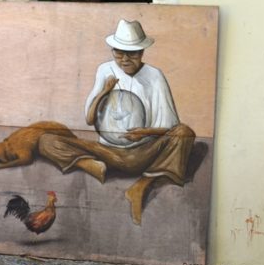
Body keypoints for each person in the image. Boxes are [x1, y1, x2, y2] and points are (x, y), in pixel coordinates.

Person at [37, 19, 196, 225]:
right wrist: (104, 91)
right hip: (108, 151)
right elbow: (89, 119)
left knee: (185, 133)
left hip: (141, 151)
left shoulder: (154, 76)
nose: (124, 59)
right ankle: (92, 165)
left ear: (142, 52)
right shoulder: (105, 70)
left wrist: (144, 132)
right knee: (46, 140)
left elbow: (169, 127)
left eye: (132, 53)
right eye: (118, 52)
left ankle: (142, 185)